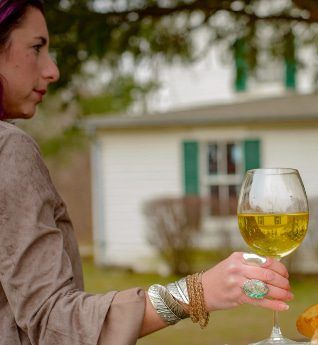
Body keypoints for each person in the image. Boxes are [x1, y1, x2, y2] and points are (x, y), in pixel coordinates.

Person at [0, 1, 293, 344]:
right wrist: (194, 293)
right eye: (36, 47)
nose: (53, 70)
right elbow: (53, 319)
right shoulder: (8, 149)